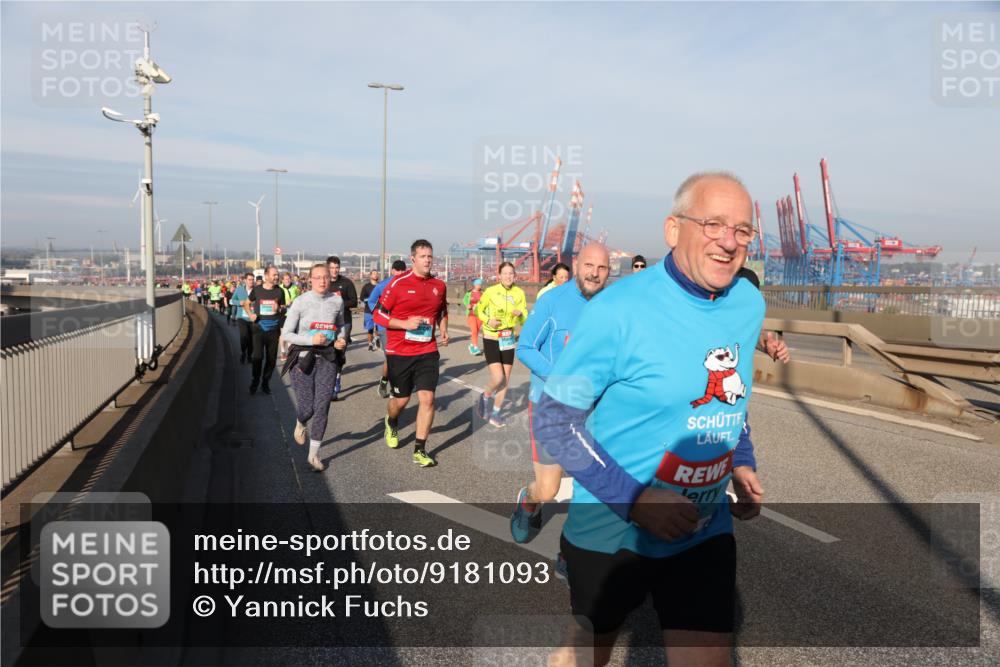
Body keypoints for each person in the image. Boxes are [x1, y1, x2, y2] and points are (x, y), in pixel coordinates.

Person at [533, 172, 767, 666]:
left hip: (705, 528)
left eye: (742, 230)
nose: (729, 242)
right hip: (612, 527)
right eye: (713, 224)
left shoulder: (747, 302)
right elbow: (554, 421)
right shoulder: (619, 310)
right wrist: (634, 498)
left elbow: (730, 395)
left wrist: (741, 460)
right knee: (585, 653)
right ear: (673, 229)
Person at [510, 244, 612, 548]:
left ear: (609, 272)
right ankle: (529, 501)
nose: (594, 273)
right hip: (551, 406)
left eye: (602, 268)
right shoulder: (553, 301)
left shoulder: (613, 305)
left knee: (593, 486)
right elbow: (525, 348)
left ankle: (572, 553)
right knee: (548, 489)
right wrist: (561, 378)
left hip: (594, 409)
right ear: (577, 265)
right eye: (589, 266)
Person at [373, 240, 448, 468]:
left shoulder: (439, 285)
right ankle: (392, 420)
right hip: (400, 351)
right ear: (413, 259)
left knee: (427, 398)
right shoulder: (398, 284)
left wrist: (443, 329)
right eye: (423, 256)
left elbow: (442, 310)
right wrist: (404, 324)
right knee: (401, 400)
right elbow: (378, 315)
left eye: (430, 256)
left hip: (427, 350)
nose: (427, 260)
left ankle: (420, 449)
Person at [280, 264, 347, 472]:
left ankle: (313, 455)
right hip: (303, 358)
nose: (322, 281)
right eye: (317, 277)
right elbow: (287, 334)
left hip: (327, 358)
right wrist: (310, 339)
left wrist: (341, 339)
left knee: (323, 406)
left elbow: (342, 325)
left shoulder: (337, 301)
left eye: (325, 277)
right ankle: (301, 423)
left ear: (330, 279)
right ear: (310, 279)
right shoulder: (301, 302)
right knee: (307, 407)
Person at [475, 262, 527, 428]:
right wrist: (488, 320)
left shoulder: (519, 293)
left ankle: (495, 414)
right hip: (491, 336)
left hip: (508, 338)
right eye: (505, 273)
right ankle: (485, 396)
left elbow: (524, 317)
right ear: (499, 275)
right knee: (498, 377)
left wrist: (520, 315)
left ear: (515, 275)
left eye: (511, 273)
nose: (508, 276)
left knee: (505, 380)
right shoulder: (491, 291)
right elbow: (478, 310)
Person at [368, 260, 408, 398]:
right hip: (385, 327)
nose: (400, 273)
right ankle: (389, 384)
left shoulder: (407, 284)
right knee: (391, 358)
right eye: (397, 270)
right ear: (392, 271)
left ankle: (390, 382)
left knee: (402, 357)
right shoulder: (383, 285)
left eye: (402, 270)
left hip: (402, 326)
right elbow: (371, 300)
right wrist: (379, 314)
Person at [246, 265, 286, 395]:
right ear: (266, 276)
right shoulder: (257, 290)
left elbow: (284, 308)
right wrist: (250, 314)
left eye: (277, 275)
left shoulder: (279, 291)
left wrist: (278, 309)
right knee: (257, 357)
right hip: (259, 328)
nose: (276, 277)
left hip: (273, 330)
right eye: (274, 275)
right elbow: (246, 303)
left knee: (271, 360)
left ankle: (265, 382)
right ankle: (255, 380)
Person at [326, 256, 359, 401]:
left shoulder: (346, 283)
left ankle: (336, 382)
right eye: (332, 268)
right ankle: (327, 381)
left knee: (339, 352)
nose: (334, 270)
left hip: (343, 322)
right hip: (326, 324)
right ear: (328, 268)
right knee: (328, 353)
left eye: (336, 268)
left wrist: (338, 303)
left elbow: (354, 302)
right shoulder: (324, 282)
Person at [232, 273, 255, 364]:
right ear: (245, 280)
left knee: (252, 339)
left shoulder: (256, 290)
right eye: (249, 279)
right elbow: (232, 300)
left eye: (252, 279)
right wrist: (239, 302)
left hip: (253, 317)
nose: (251, 281)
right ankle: (243, 352)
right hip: (242, 317)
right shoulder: (239, 289)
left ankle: (249, 355)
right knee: (244, 336)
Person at [359, 270, 381, 351]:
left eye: (377, 273)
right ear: (370, 276)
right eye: (374, 274)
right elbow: (361, 298)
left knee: (379, 328)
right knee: (370, 329)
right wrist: (369, 300)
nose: (375, 275)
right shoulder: (366, 286)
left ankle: (377, 338)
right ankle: (370, 344)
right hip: (368, 311)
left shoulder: (380, 286)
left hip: (378, 311)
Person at [461, 278, 484, 356]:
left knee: (476, 331)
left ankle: (472, 345)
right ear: (474, 285)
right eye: (478, 284)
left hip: (480, 315)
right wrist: (467, 305)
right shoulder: (469, 293)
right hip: (471, 314)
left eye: (480, 284)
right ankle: (475, 347)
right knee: (474, 330)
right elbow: (464, 300)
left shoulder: (483, 293)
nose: (479, 286)